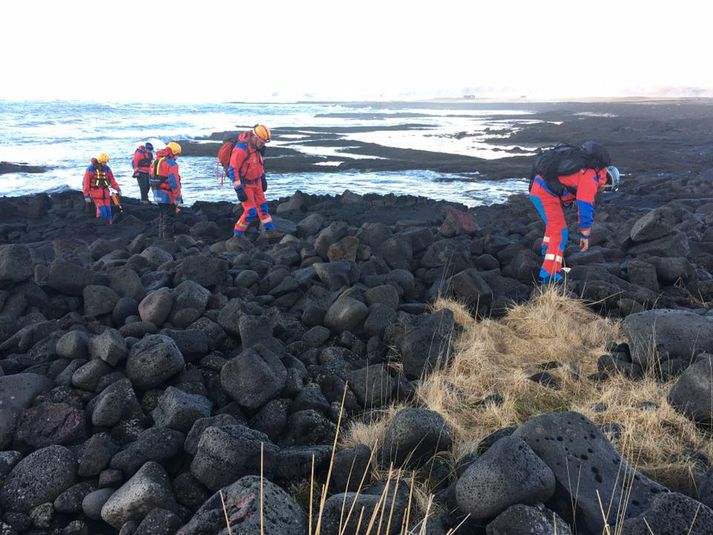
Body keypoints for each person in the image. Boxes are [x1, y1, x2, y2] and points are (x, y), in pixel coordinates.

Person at [529, 142, 620, 284]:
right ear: (607, 181)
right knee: (560, 232)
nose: (603, 191)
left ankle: (545, 251)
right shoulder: (591, 178)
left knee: (554, 226)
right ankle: (549, 274)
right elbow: (585, 207)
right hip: (544, 193)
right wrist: (585, 234)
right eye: (606, 189)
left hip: (539, 188)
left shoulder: (586, 171)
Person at [228, 124, 275, 236]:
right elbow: (233, 169)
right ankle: (237, 235)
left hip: (257, 183)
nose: (263, 144)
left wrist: (263, 179)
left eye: (264, 142)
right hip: (246, 185)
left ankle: (271, 232)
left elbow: (259, 164)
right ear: (254, 137)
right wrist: (238, 189)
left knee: (263, 208)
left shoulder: (257, 148)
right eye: (262, 141)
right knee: (251, 212)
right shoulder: (241, 149)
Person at [149, 142, 183, 240]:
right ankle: (168, 241)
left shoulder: (154, 161)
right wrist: (177, 197)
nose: (177, 157)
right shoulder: (171, 164)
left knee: (162, 217)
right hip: (168, 195)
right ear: (174, 152)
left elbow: (150, 178)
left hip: (157, 194)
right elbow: (174, 182)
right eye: (177, 155)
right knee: (168, 219)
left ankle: (161, 239)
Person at [83, 153, 122, 224]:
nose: (105, 164)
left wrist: (118, 189)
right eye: (104, 162)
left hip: (105, 193)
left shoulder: (107, 169)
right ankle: (101, 224)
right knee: (102, 211)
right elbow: (86, 183)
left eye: (106, 162)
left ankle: (110, 224)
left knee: (108, 210)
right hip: (95, 193)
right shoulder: (91, 169)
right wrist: (86, 196)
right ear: (100, 161)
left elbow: (112, 180)